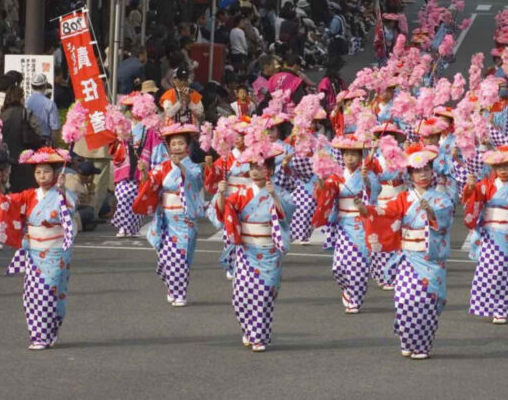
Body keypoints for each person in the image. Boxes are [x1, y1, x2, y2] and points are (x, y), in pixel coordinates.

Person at [362, 144, 454, 360]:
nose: (422, 175)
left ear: (432, 171)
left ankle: (421, 345)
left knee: (428, 301)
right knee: (404, 300)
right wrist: (366, 210)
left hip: (430, 257)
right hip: (408, 258)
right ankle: (407, 339)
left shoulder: (442, 198)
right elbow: (386, 213)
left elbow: (445, 218)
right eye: (417, 171)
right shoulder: (403, 198)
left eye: (426, 170)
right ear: (410, 174)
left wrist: (432, 212)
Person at [0, 147, 77, 349]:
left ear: (56, 173)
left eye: (46, 171)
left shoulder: (62, 194)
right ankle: (39, 336)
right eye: (38, 172)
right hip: (34, 251)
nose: (42, 175)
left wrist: (62, 190)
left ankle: (49, 331)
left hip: (56, 251)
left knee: (50, 292)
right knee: (32, 294)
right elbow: (7, 203)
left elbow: (69, 212)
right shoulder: (30, 195)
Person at [218, 141, 295, 352]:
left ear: (270, 170)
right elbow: (224, 212)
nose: (255, 171)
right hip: (246, 250)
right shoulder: (242, 193)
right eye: (252, 167)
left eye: (260, 167)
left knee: (264, 295)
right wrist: (220, 194)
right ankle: (249, 330)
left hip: (269, 250)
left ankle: (258, 336)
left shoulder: (278, 191)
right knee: (240, 297)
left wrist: (274, 196)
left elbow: (287, 213)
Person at [462, 146, 508, 325]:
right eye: (499, 167)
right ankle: (487, 306)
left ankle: (502, 309)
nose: (503, 170)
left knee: (507, 272)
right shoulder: (486, 185)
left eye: (506, 166)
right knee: (489, 272)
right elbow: (472, 201)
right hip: (489, 234)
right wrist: (470, 188)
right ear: (494, 169)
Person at [132, 123, 205, 307]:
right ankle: (173, 288)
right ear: (168, 147)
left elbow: (195, 181)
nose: (177, 147)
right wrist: (142, 172)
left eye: (181, 143)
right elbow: (150, 185)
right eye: (174, 144)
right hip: (165, 218)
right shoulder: (163, 167)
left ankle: (180, 293)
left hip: (184, 217)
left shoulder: (193, 167)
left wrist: (181, 167)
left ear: (187, 146)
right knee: (165, 257)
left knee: (180, 256)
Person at [312, 133, 381, 313]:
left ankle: (355, 299)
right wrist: (320, 181)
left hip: (361, 223)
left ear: (360, 156)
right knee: (339, 266)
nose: (350, 158)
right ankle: (347, 289)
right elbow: (325, 193)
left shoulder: (367, 173)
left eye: (354, 154)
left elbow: (375, 190)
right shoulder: (337, 176)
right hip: (342, 224)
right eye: (346, 154)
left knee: (359, 264)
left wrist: (366, 179)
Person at [25, 74, 60, 143]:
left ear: (31, 86)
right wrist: (53, 145)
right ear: (45, 86)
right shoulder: (50, 103)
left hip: (27, 139)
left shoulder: (26, 101)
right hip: (44, 140)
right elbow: (55, 128)